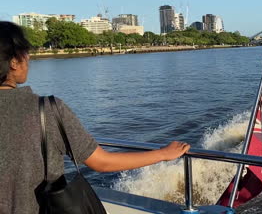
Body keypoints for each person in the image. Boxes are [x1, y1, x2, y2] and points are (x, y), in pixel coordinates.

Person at [0, 21, 191, 214]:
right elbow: (101, 162)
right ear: (14, 61)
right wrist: (163, 154)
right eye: (26, 52)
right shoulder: (46, 109)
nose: (29, 58)